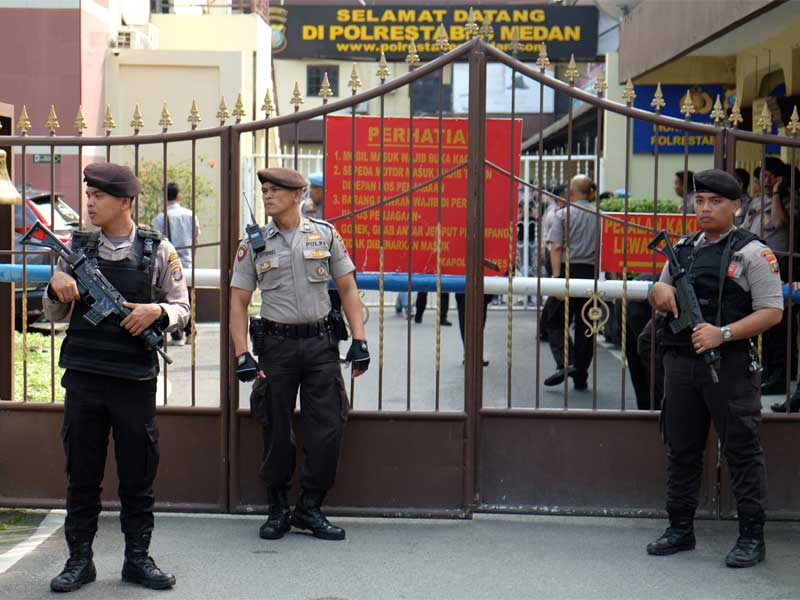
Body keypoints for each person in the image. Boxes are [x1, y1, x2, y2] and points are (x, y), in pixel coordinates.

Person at [43, 163, 187, 592]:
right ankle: (78, 561)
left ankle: (137, 559)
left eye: (98, 196)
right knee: (82, 474)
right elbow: (54, 313)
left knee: (137, 474)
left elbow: (183, 306)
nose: (89, 202)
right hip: (85, 378)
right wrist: (56, 287)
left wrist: (156, 312)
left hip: (132, 382)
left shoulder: (157, 249)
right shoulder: (75, 247)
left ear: (125, 201)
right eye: (88, 194)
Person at [646, 169, 782, 568]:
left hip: (731, 366)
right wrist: (661, 290)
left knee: (741, 450)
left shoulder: (755, 253)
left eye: (715, 202)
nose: (704, 208)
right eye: (700, 201)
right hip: (682, 365)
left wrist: (723, 333)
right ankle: (680, 528)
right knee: (682, 448)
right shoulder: (684, 249)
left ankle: (752, 537)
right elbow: (658, 290)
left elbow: (772, 312)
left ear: (736, 206)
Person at [229, 167, 369, 542]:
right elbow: (238, 302)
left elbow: (348, 288)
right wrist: (243, 353)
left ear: (297, 195)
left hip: (321, 345)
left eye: (276, 190)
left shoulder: (324, 235)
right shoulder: (254, 244)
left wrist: (360, 340)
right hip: (276, 348)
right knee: (276, 428)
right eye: (265, 190)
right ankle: (277, 508)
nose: (268, 196)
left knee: (327, 427)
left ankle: (310, 507)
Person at [742, 157, 794, 394]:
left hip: (781, 266)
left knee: (779, 324)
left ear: (779, 178)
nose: (763, 179)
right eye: (761, 174)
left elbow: (779, 222)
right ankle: (768, 370)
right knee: (763, 321)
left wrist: (776, 193)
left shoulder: (787, 200)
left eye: (768, 174)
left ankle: (780, 374)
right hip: (756, 266)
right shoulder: (756, 201)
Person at [543, 175, 599, 390]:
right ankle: (581, 376)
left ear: (572, 191)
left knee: (554, 320)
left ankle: (567, 362)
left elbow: (556, 247)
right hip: (591, 274)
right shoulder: (601, 216)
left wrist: (557, 278)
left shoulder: (563, 215)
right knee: (587, 325)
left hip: (568, 270)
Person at [153, 182, 200, 346]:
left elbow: (157, 242)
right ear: (178, 196)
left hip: (169, 264)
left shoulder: (161, 216)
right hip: (187, 261)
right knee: (187, 297)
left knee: (170, 298)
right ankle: (191, 332)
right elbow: (196, 238)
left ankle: (177, 335)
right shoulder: (190, 214)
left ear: (164, 197)